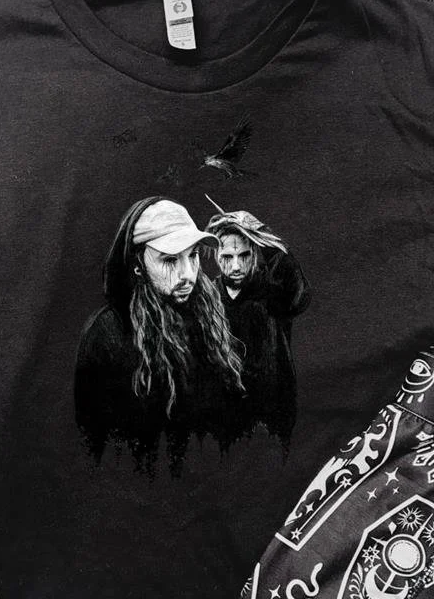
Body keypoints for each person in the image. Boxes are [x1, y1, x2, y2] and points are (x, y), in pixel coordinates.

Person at [75, 196, 246, 475]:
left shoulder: (207, 318)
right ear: (137, 265)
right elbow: (93, 442)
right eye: (169, 259)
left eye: (193, 256)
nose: (187, 274)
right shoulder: (107, 333)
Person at [205, 200, 311, 441]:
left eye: (244, 255)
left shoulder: (273, 290)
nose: (236, 266)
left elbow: (298, 293)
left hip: (271, 419)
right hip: (223, 418)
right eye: (227, 256)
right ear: (216, 256)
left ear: (254, 252)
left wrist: (264, 235)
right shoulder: (207, 297)